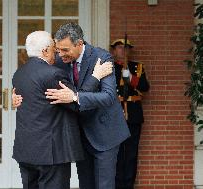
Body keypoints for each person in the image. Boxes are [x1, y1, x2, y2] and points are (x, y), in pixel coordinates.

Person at [11, 31, 112, 189]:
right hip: (51, 153)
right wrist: (96, 76)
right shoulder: (53, 74)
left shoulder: (19, 73)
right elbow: (76, 102)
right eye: (53, 48)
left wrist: (10, 101)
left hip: (25, 150)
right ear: (45, 51)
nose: (57, 52)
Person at [44, 23, 130, 189]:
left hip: (105, 133)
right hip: (79, 135)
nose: (60, 54)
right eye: (58, 49)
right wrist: (19, 92)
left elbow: (109, 97)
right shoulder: (61, 60)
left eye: (65, 50)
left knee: (104, 185)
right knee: (86, 184)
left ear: (79, 44)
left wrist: (75, 96)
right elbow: (40, 75)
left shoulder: (102, 58)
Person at [110, 39, 150, 189]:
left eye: (126, 47)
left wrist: (130, 77)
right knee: (117, 153)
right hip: (114, 115)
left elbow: (145, 87)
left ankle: (129, 185)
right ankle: (117, 185)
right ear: (113, 51)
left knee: (131, 153)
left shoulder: (137, 67)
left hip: (133, 114)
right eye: (119, 47)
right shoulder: (109, 67)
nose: (122, 50)